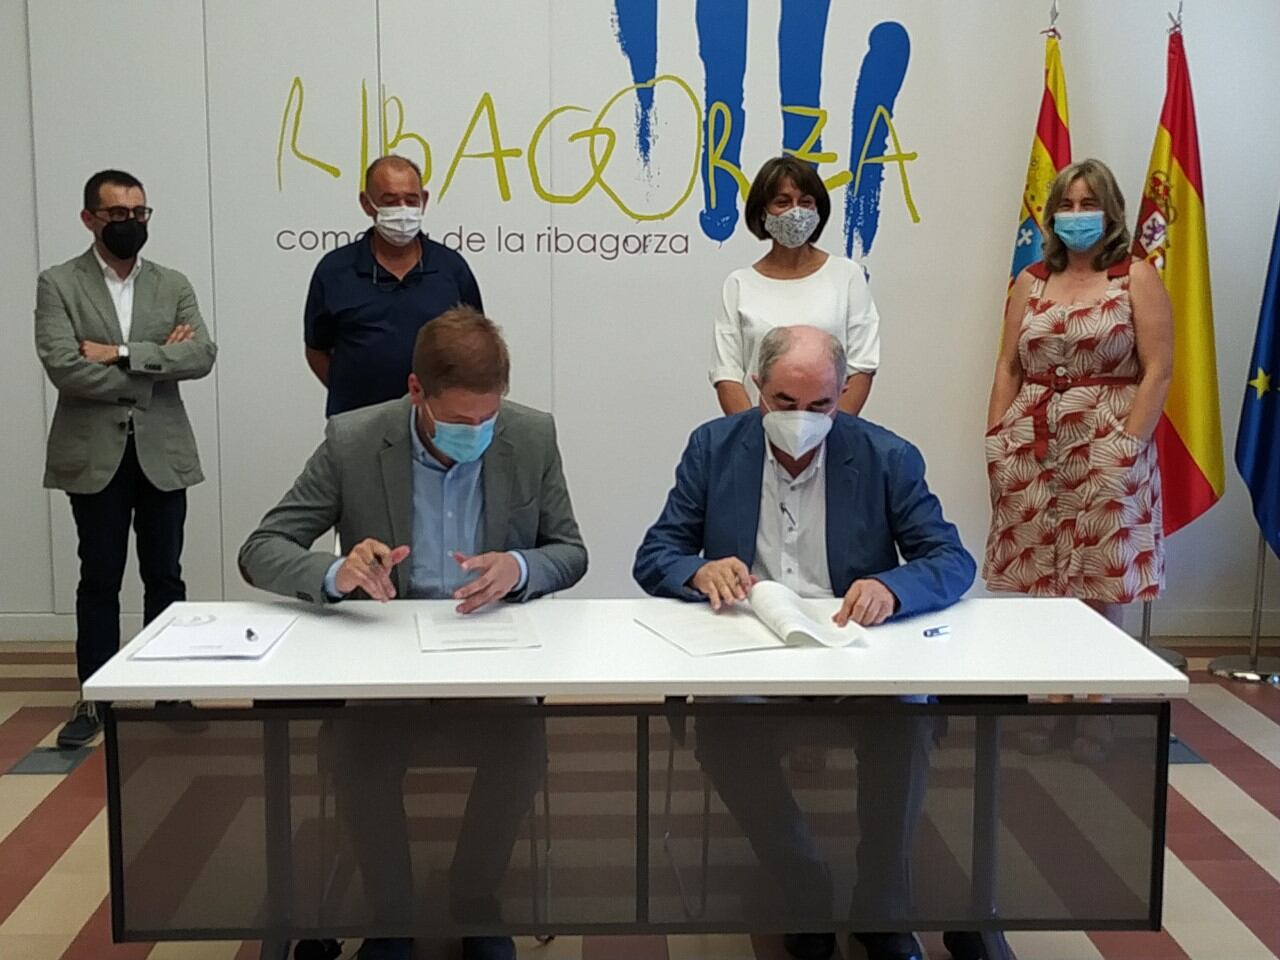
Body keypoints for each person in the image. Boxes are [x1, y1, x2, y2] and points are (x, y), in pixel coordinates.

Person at [240, 307, 586, 960]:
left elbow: (569, 550)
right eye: (459, 421)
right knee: (356, 757)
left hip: (490, 654)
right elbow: (262, 548)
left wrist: (518, 567)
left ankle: (474, 900)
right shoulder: (354, 440)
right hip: (385, 658)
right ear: (416, 391)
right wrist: (337, 573)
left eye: (488, 418)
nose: (476, 433)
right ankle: (391, 913)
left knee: (523, 751)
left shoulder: (531, 434)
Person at [634, 325, 975, 960]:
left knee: (905, 718)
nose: (802, 419)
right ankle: (802, 881)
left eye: (820, 404)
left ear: (843, 393)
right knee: (724, 725)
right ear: (757, 388)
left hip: (855, 649)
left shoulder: (886, 455)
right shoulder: (714, 448)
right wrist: (698, 571)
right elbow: (657, 552)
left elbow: (952, 560)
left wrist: (892, 587)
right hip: (747, 648)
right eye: (785, 403)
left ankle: (881, 905)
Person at [983, 158, 1172, 761]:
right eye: (1066, 204)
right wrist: (996, 435)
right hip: (1034, 441)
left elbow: (1159, 369)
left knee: (1098, 577)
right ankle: (1054, 701)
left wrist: (1130, 444)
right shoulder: (1031, 280)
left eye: (1088, 204)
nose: (1076, 215)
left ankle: (1097, 708)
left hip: (1108, 438)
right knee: (1045, 577)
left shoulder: (1134, 277)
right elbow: (1008, 364)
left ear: (1111, 211)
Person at [35, 169, 217, 749]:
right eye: (118, 214)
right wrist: (155, 364)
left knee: (165, 575)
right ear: (90, 218)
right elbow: (64, 367)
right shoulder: (58, 283)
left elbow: (202, 355)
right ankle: (96, 698)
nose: (131, 223)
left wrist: (118, 352)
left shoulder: (172, 283)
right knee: (100, 578)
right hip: (94, 455)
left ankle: (170, 691)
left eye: (140, 213)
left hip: (163, 452)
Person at [304, 154, 483, 417]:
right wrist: (351, 394)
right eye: (390, 201)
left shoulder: (452, 268)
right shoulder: (334, 271)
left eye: (411, 200)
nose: (402, 210)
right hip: (359, 423)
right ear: (367, 203)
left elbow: (474, 345)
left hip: (436, 423)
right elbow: (316, 349)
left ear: (424, 200)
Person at [710, 156, 880, 417]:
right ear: (763, 211)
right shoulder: (739, 284)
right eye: (783, 202)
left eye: (806, 202)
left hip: (832, 433)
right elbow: (727, 375)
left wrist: (828, 432)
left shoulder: (846, 275)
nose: (796, 212)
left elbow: (862, 367)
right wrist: (756, 435)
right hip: (759, 433)